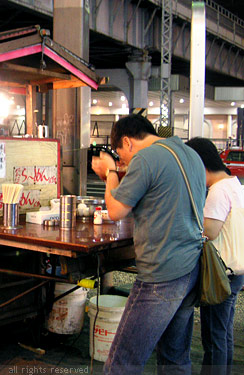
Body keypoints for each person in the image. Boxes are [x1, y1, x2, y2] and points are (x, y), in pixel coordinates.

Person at [91, 115, 206, 375]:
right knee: (174, 358)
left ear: (127, 142)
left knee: (123, 362)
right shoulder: (190, 155)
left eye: (121, 155)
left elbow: (117, 210)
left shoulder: (146, 158)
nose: (124, 163)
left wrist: (110, 172)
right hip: (191, 268)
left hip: (161, 274)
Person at [186, 137, 244, 375]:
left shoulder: (218, 191)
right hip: (236, 271)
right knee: (224, 332)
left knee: (214, 337)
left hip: (221, 274)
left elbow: (209, 232)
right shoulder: (235, 184)